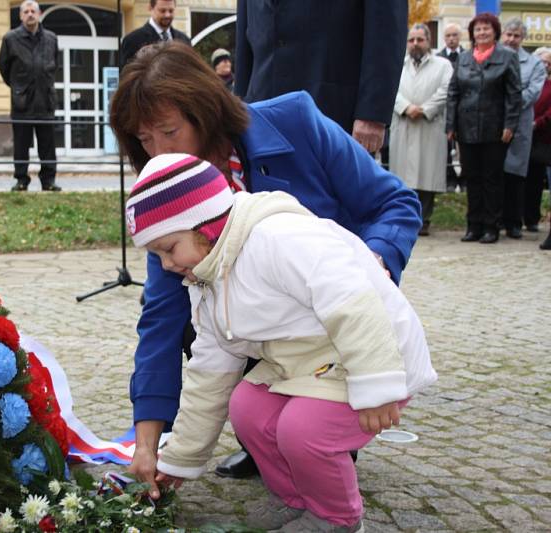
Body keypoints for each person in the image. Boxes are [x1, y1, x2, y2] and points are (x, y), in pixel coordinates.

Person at [109, 41, 422, 492]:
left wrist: (372, 267)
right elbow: (159, 317)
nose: (157, 152)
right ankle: (271, 434)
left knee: (311, 421)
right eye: (143, 140)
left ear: (205, 110)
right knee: (195, 323)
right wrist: (148, 440)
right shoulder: (171, 196)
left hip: (342, 306)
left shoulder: (295, 120)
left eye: (168, 131)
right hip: (274, 334)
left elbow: (395, 203)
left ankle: (329, 422)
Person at [125, 153, 436, 532]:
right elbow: (208, 374)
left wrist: (379, 385)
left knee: (303, 431)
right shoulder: (204, 279)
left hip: (374, 355)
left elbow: (353, 302)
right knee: (247, 409)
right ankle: (294, 499)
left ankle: (337, 518)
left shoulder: (278, 238)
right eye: (156, 254)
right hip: (310, 361)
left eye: (169, 248)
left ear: (205, 225)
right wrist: (180, 460)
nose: (167, 265)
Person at [234, 0, 408, 154]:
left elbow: (387, 28)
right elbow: (245, 30)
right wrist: (239, 107)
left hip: (333, 114)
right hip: (262, 111)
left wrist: (372, 114)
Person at [446, 13, 521, 244]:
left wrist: (510, 124)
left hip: (495, 129)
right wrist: (451, 125)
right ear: (472, 34)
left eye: (486, 28)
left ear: (495, 31)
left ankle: (491, 226)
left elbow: (514, 94)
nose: (482, 33)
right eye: (478, 29)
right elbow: (453, 93)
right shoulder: (465, 58)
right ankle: (473, 225)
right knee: (472, 178)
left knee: (492, 179)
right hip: (466, 129)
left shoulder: (507, 56)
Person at [390, 24, 454, 237]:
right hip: (404, 122)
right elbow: (389, 87)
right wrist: (405, 107)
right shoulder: (397, 63)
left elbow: (445, 90)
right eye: (412, 40)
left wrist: (425, 109)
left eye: (420, 39)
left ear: (429, 41)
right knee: (403, 175)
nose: (415, 44)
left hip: (429, 124)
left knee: (427, 174)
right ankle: (405, 217)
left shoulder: (443, 65)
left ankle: (424, 219)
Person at [0, 0, 61, 192]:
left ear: (40, 13)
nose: (30, 14)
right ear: (20, 16)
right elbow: (3, 67)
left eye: (33, 11)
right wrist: (18, 86)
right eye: (26, 11)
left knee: (48, 145)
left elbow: (54, 64)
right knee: (21, 144)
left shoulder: (51, 38)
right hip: (22, 101)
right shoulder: (10, 38)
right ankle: (21, 180)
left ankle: (48, 181)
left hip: (45, 99)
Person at [501, 18, 547, 240]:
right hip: (494, 124)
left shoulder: (534, 64)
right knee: (494, 174)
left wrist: (504, 101)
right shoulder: (495, 57)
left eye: (516, 35)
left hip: (520, 126)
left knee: (516, 176)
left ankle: (514, 222)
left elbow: (531, 94)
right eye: (508, 34)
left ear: (522, 38)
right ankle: (495, 219)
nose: (511, 39)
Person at [119, 0, 190, 68]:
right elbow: (127, 76)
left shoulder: (184, 40)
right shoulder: (132, 40)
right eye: (162, 11)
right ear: (150, 8)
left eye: (171, 11)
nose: (167, 15)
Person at [527, 50, 551, 249]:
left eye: (548, 62)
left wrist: (538, 122)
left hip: (545, 138)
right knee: (532, 182)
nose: (545, 65)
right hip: (534, 140)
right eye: (542, 61)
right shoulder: (539, 84)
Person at [437, 23, 465, 192]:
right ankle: (450, 178)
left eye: (454, 35)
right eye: (448, 36)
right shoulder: (439, 57)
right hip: (444, 110)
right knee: (446, 146)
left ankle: (464, 180)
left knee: (463, 148)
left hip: (462, 110)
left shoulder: (467, 56)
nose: (451, 39)